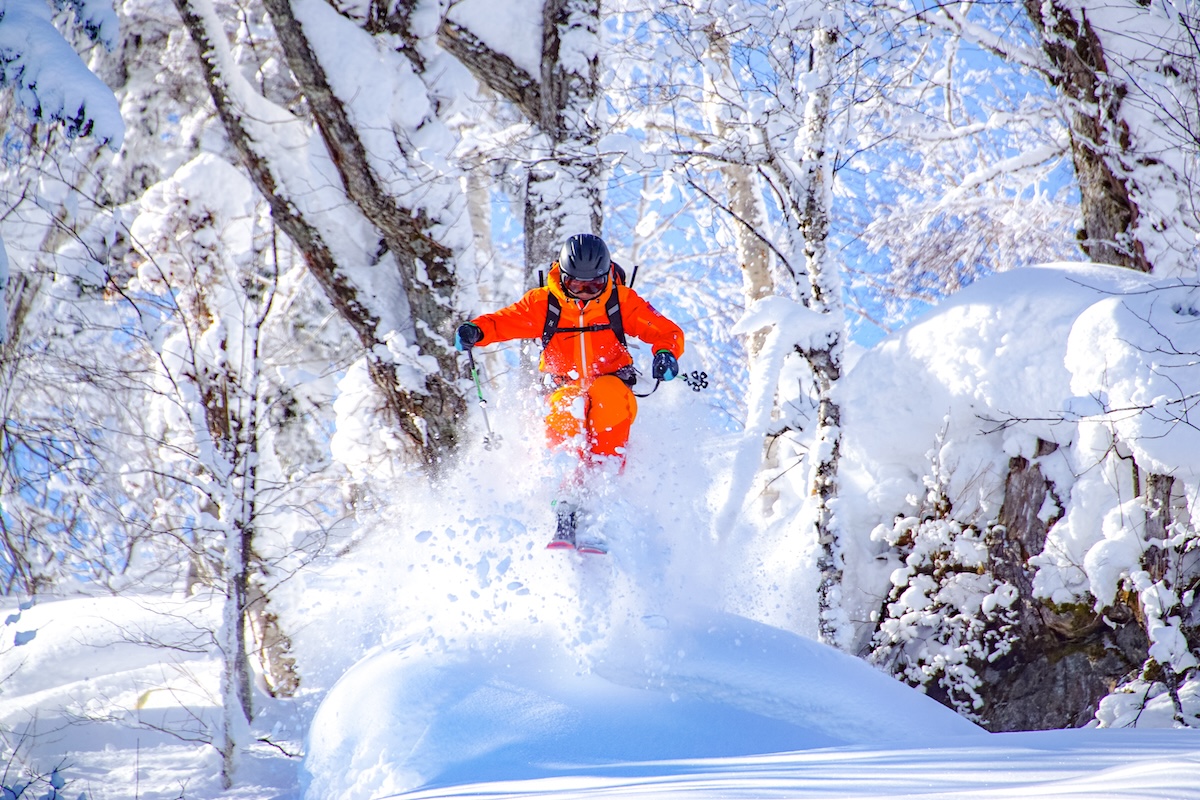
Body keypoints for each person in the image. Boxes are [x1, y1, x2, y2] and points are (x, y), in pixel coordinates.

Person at [454, 233, 685, 550]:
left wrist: (665, 352)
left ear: (606, 279)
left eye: (593, 286)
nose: (585, 294)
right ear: (562, 278)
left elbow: (663, 329)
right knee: (566, 406)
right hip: (563, 385)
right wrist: (477, 330)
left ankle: (600, 494)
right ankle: (564, 498)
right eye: (576, 285)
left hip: (611, 381)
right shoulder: (543, 303)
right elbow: (505, 321)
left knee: (609, 399)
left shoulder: (621, 301)